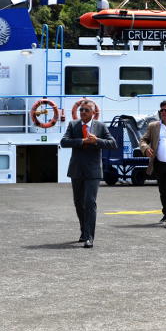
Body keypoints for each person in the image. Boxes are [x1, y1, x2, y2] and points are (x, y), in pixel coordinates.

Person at [60, 100, 117, 248]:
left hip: (93, 170)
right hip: (77, 169)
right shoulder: (73, 125)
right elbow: (64, 142)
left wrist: (96, 140)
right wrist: (83, 141)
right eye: (81, 110)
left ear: (93, 113)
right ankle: (84, 231)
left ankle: (89, 237)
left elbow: (112, 143)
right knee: (78, 202)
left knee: (90, 202)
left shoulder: (100, 126)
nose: (83, 112)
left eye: (86, 110)